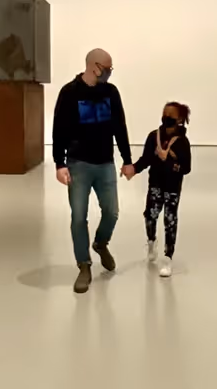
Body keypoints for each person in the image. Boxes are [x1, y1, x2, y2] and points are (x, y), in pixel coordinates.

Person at [53, 48, 135, 294]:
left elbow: (119, 126)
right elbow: (59, 130)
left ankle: (100, 243)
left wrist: (127, 160)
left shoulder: (111, 93)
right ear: (94, 66)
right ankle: (84, 265)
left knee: (112, 211)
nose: (109, 72)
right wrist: (60, 164)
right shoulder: (69, 93)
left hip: (105, 163)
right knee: (78, 217)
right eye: (107, 67)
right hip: (78, 163)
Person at [132, 102, 193, 278]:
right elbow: (146, 159)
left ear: (179, 120)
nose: (166, 118)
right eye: (164, 114)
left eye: (170, 116)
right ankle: (151, 241)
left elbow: (186, 168)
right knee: (150, 216)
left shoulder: (182, 142)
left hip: (173, 187)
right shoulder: (153, 137)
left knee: (170, 220)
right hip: (155, 185)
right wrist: (133, 168)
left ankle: (168, 257)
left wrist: (170, 161)